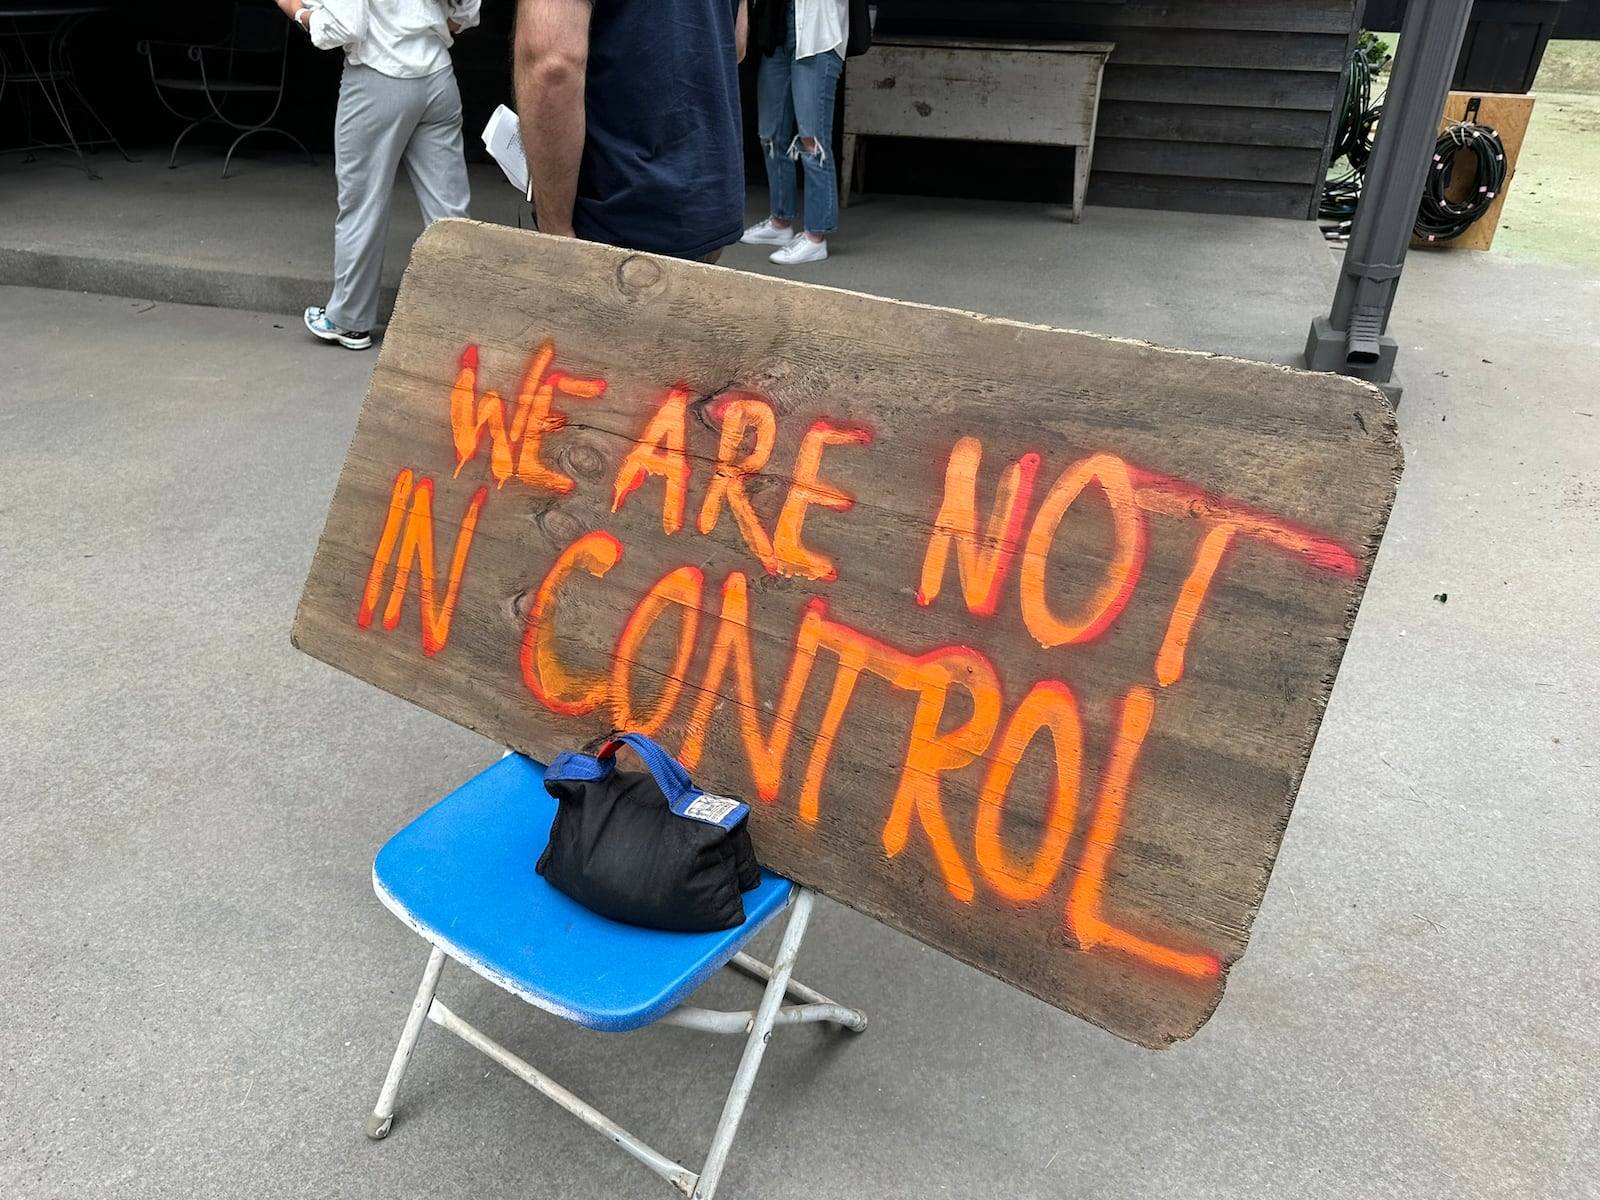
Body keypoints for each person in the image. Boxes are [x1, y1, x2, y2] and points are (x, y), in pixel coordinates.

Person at [276, 0, 480, 350]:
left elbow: (346, 26)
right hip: (438, 77)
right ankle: (461, 319)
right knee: (450, 209)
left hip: (377, 75)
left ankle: (349, 321)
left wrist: (296, 11)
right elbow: (466, 12)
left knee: (363, 203)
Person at [514, 0, 747, 263]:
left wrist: (555, 229)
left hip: (614, 216)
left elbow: (553, 66)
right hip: (706, 199)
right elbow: (736, 43)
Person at [740, 0, 849, 266]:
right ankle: (780, 221)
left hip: (818, 31)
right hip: (778, 25)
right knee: (770, 133)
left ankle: (815, 237)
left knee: (812, 140)